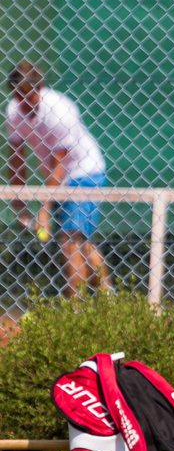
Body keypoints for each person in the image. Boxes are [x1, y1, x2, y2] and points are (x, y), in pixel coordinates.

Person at [6, 60, 113, 297]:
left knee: (70, 240)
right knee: (81, 241)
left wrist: (44, 209)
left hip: (85, 172)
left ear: (39, 89)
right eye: (17, 97)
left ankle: (74, 311)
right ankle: (109, 298)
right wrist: (20, 204)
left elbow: (60, 164)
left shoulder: (60, 110)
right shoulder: (14, 110)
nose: (23, 104)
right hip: (58, 180)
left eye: (28, 97)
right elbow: (16, 159)